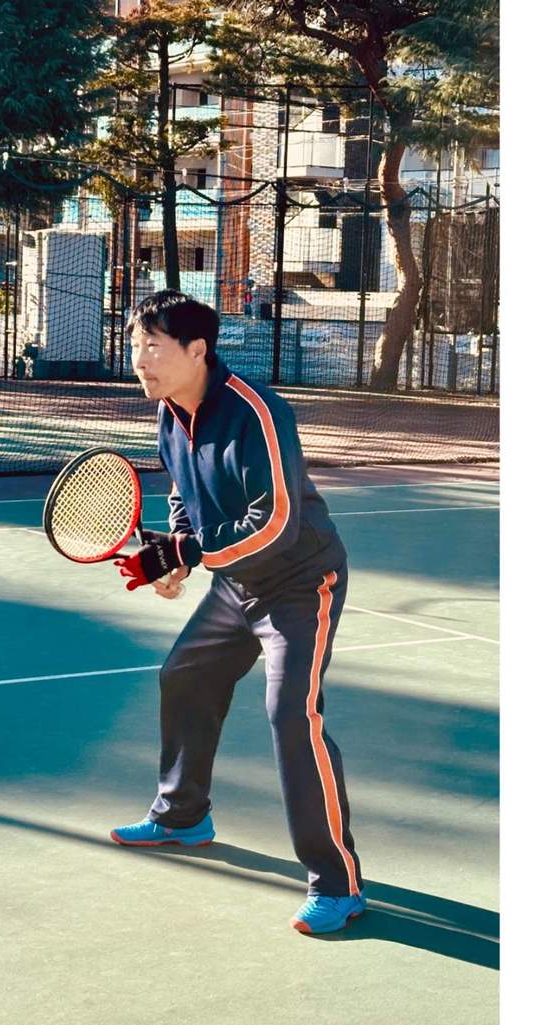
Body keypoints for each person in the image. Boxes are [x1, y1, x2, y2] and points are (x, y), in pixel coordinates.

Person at [111, 289, 365, 935]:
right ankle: (183, 816)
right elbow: (183, 491)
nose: (139, 359)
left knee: (292, 716)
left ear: (197, 350)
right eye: (135, 345)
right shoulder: (170, 411)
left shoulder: (257, 410)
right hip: (236, 585)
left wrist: (192, 551)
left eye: (152, 346)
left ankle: (337, 884)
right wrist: (175, 554)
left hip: (300, 582)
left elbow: (276, 521)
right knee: (185, 677)